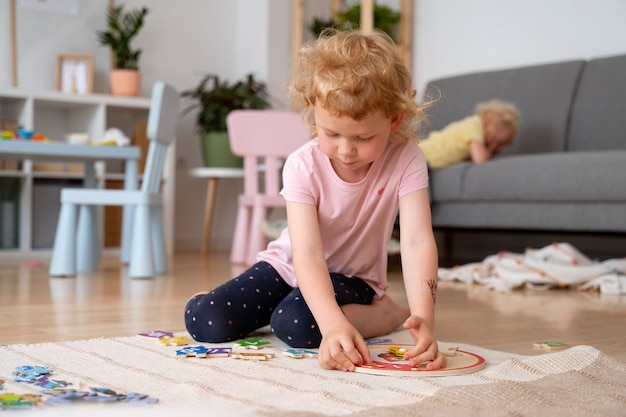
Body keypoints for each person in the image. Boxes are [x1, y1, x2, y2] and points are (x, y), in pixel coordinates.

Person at [184, 29, 446, 372]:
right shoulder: (301, 164)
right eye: (331, 133)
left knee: (294, 324)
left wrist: (423, 316)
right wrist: (333, 324)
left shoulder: (407, 158)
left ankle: (387, 313)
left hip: (352, 278)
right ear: (314, 115)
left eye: (363, 137)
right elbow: (305, 253)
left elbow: (416, 241)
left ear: (394, 120)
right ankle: (298, 308)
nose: (345, 150)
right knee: (206, 320)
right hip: (289, 264)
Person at [419, 100, 520, 169]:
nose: (500, 149)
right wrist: (490, 149)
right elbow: (480, 160)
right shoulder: (475, 125)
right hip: (423, 155)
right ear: (488, 122)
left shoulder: (473, 127)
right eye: (498, 142)